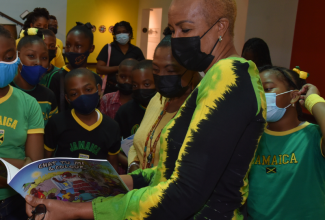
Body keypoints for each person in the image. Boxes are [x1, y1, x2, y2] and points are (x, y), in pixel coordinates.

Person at [25, 0, 266, 219]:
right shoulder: (209, 81)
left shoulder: (230, 77)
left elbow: (184, 193)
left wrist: (76, 211)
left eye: (186, 29)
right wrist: (92, 184)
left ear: (221, 27)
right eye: (173, 30)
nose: (177, 39)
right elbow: (165, 173)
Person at [248, 66, 325, 219]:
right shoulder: (252, 137)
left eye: (267, 89)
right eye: (257, 91)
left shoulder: (313, 136)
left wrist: (313, 100)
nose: (260, 96)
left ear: (294, 96)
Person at [127, 29, 201, 173]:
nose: (161, 76)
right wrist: (133, 164)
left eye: (171, 70)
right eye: (155, 69)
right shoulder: (157, 98)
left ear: (193, 67)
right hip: (141, 190)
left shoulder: (203, 105)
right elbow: (139, 142)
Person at [0, 25, 44, 219]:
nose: (2, 63)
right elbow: (22, 166)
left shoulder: (29, 104)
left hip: (14, 201)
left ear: (16, 58)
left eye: (8, 57)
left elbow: (32, 169)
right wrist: (15, 166)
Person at [44, 68, 120, 171]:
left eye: (88, 89)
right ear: (68, 99)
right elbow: (45, 161)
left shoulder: (112, 127)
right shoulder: (57, 122)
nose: (82, 96)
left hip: (97, 185)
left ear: (98, 89)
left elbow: (113, 167)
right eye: (74, 94)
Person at [48, 22, 102, 112]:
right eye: (68, 45)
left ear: (91, 48)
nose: (71, 50)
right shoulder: (56, 77)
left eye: (78, 46)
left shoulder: (95, 78)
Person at [11, 28, 58, 126]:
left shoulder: (48, 97)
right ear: (17, 56)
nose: (38, 62)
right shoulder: (5, 91)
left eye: (44, 58)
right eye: (31, 56)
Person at [96, 21, 145, 94]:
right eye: (118, 32)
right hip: (111, 89)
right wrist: (119, 68)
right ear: (115, 35)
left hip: (131, 90)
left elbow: (142, 70)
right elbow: (99, 69)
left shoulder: (136, 51)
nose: (121, 34)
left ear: (130, 34)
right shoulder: (108, 48)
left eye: (124, 32)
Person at [114, 60, 156, 139]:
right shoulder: (124, 111)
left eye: (146, 84)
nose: (140, 89)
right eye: (135, 85)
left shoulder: (169, 109)